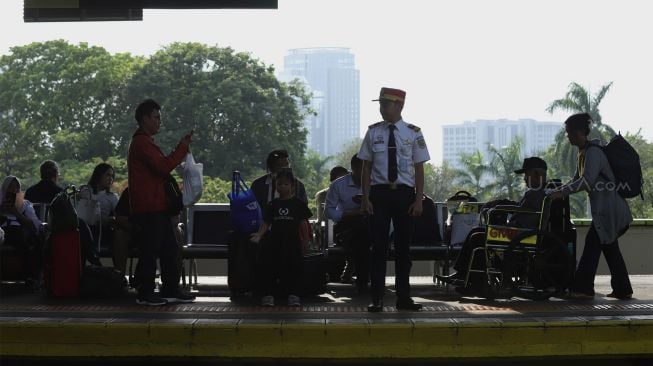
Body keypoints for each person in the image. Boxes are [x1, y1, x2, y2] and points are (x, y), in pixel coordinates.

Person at [358, 87, 430, 312]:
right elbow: (366, 167)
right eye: (380, 104)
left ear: (399, 106)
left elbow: (419, 169)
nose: (381, 109)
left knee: (403, 250)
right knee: (378, 248)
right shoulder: (373, 132)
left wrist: (418, 200)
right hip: (379, 194)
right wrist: (365, 198)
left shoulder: (413, 132)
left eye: (385, 104)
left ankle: (403, 298)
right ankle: (377, 298)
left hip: (404, 194)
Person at [548, 113, 633, 300]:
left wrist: (561, 193)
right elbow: (577, 179)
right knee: (609, 247)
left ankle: (584, 289)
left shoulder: (593, 152)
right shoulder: (584, 152)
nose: (567, 136)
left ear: (578, 132)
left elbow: (587, 181)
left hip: (609, 210)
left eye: (569, 132)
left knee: (592, 245)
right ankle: (623, 289)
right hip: (605, 210)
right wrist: (557, 189)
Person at [437, 157, 550, 291]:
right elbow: (520, 207)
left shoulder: (538, 194)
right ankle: (464, 275)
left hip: (520, 235)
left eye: (527, 174)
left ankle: (475, 280)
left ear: (537, 174)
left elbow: (524, 212)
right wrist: (501, 202)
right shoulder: (536, 193)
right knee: (476, 232)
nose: (525, 178)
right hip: (517, 233)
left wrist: (501, 206)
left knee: (477, 237)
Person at [127, 98, 195, 306]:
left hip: (157, 206)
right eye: (156, 117)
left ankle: (170, 289)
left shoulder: (144, 143)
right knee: (152, 249)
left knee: (169, 248)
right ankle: (146, 292)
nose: (159, 122)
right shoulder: (142, 143)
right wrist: (182, 147)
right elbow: (163, 166)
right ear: (145, 118)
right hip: (150, 207)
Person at [250, 168, 313, 307]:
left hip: (293, 243)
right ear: (275, 186)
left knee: (294, 268)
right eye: (279, 184)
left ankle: (294, 295)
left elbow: (303, 223)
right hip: (275, 243)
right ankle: (269, 295)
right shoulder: (273, 204)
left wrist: (306, 240)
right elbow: (266, 222)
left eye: (285, 184)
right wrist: (259, 235)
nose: (282, 187)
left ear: (292, 186)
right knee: (271, 268)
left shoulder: (298, 204)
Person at [325, 155, 370, 290]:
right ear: (354, 168)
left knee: (365, 230)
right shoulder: (339, 185)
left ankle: (362, 278)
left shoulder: (376, 183)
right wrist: (349, 213)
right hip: (346, 226)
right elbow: (328, 211)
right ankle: (364, 278)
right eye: (364, 168)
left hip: (368, 225)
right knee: (362, 232)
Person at [1, 176, 43, 283]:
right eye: (10, 187)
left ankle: (30, 274)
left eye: (17, 188)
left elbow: (34, 225)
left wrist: (17, 213)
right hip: (2, 231)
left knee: (27, 237)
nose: (14, 190)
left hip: (19, 232)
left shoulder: (25, 205)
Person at [85, 163, 120, 264]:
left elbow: (119, 215)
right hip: (85, 227)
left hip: (102, 230)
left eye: (112, 176)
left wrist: (110, 220)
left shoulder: (112, 197)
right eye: (107, 175)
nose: (111, 179)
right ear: (99, 175)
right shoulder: (85, 192)